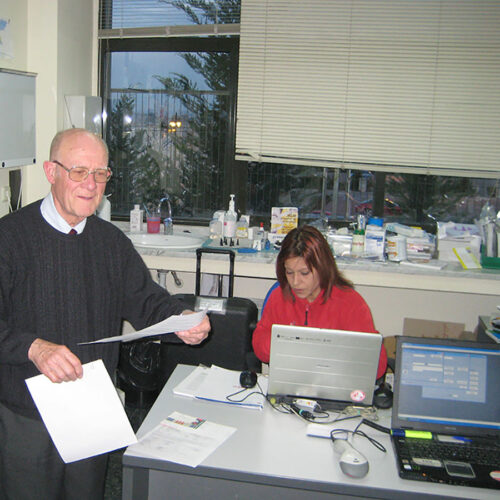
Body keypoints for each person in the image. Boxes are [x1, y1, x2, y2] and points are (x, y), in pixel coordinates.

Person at [0, 128, 210, 499]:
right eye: (79, 171)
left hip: (90, 404)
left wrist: (182, 318)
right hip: (27, 411)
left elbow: (145, 299)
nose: (91, 184)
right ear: (51, 172)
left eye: (101, 173)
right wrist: (34, 348)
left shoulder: (110, 241)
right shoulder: (10, 238)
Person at [252, 225, 387, 379]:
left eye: (304, 273)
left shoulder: (350, 303)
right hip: (290, 384)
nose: (296, 282)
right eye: (289, 272)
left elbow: (377, 365)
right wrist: (282, 343)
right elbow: (259, 345)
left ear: (322, 268)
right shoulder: (279, 297)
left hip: (335, 385)